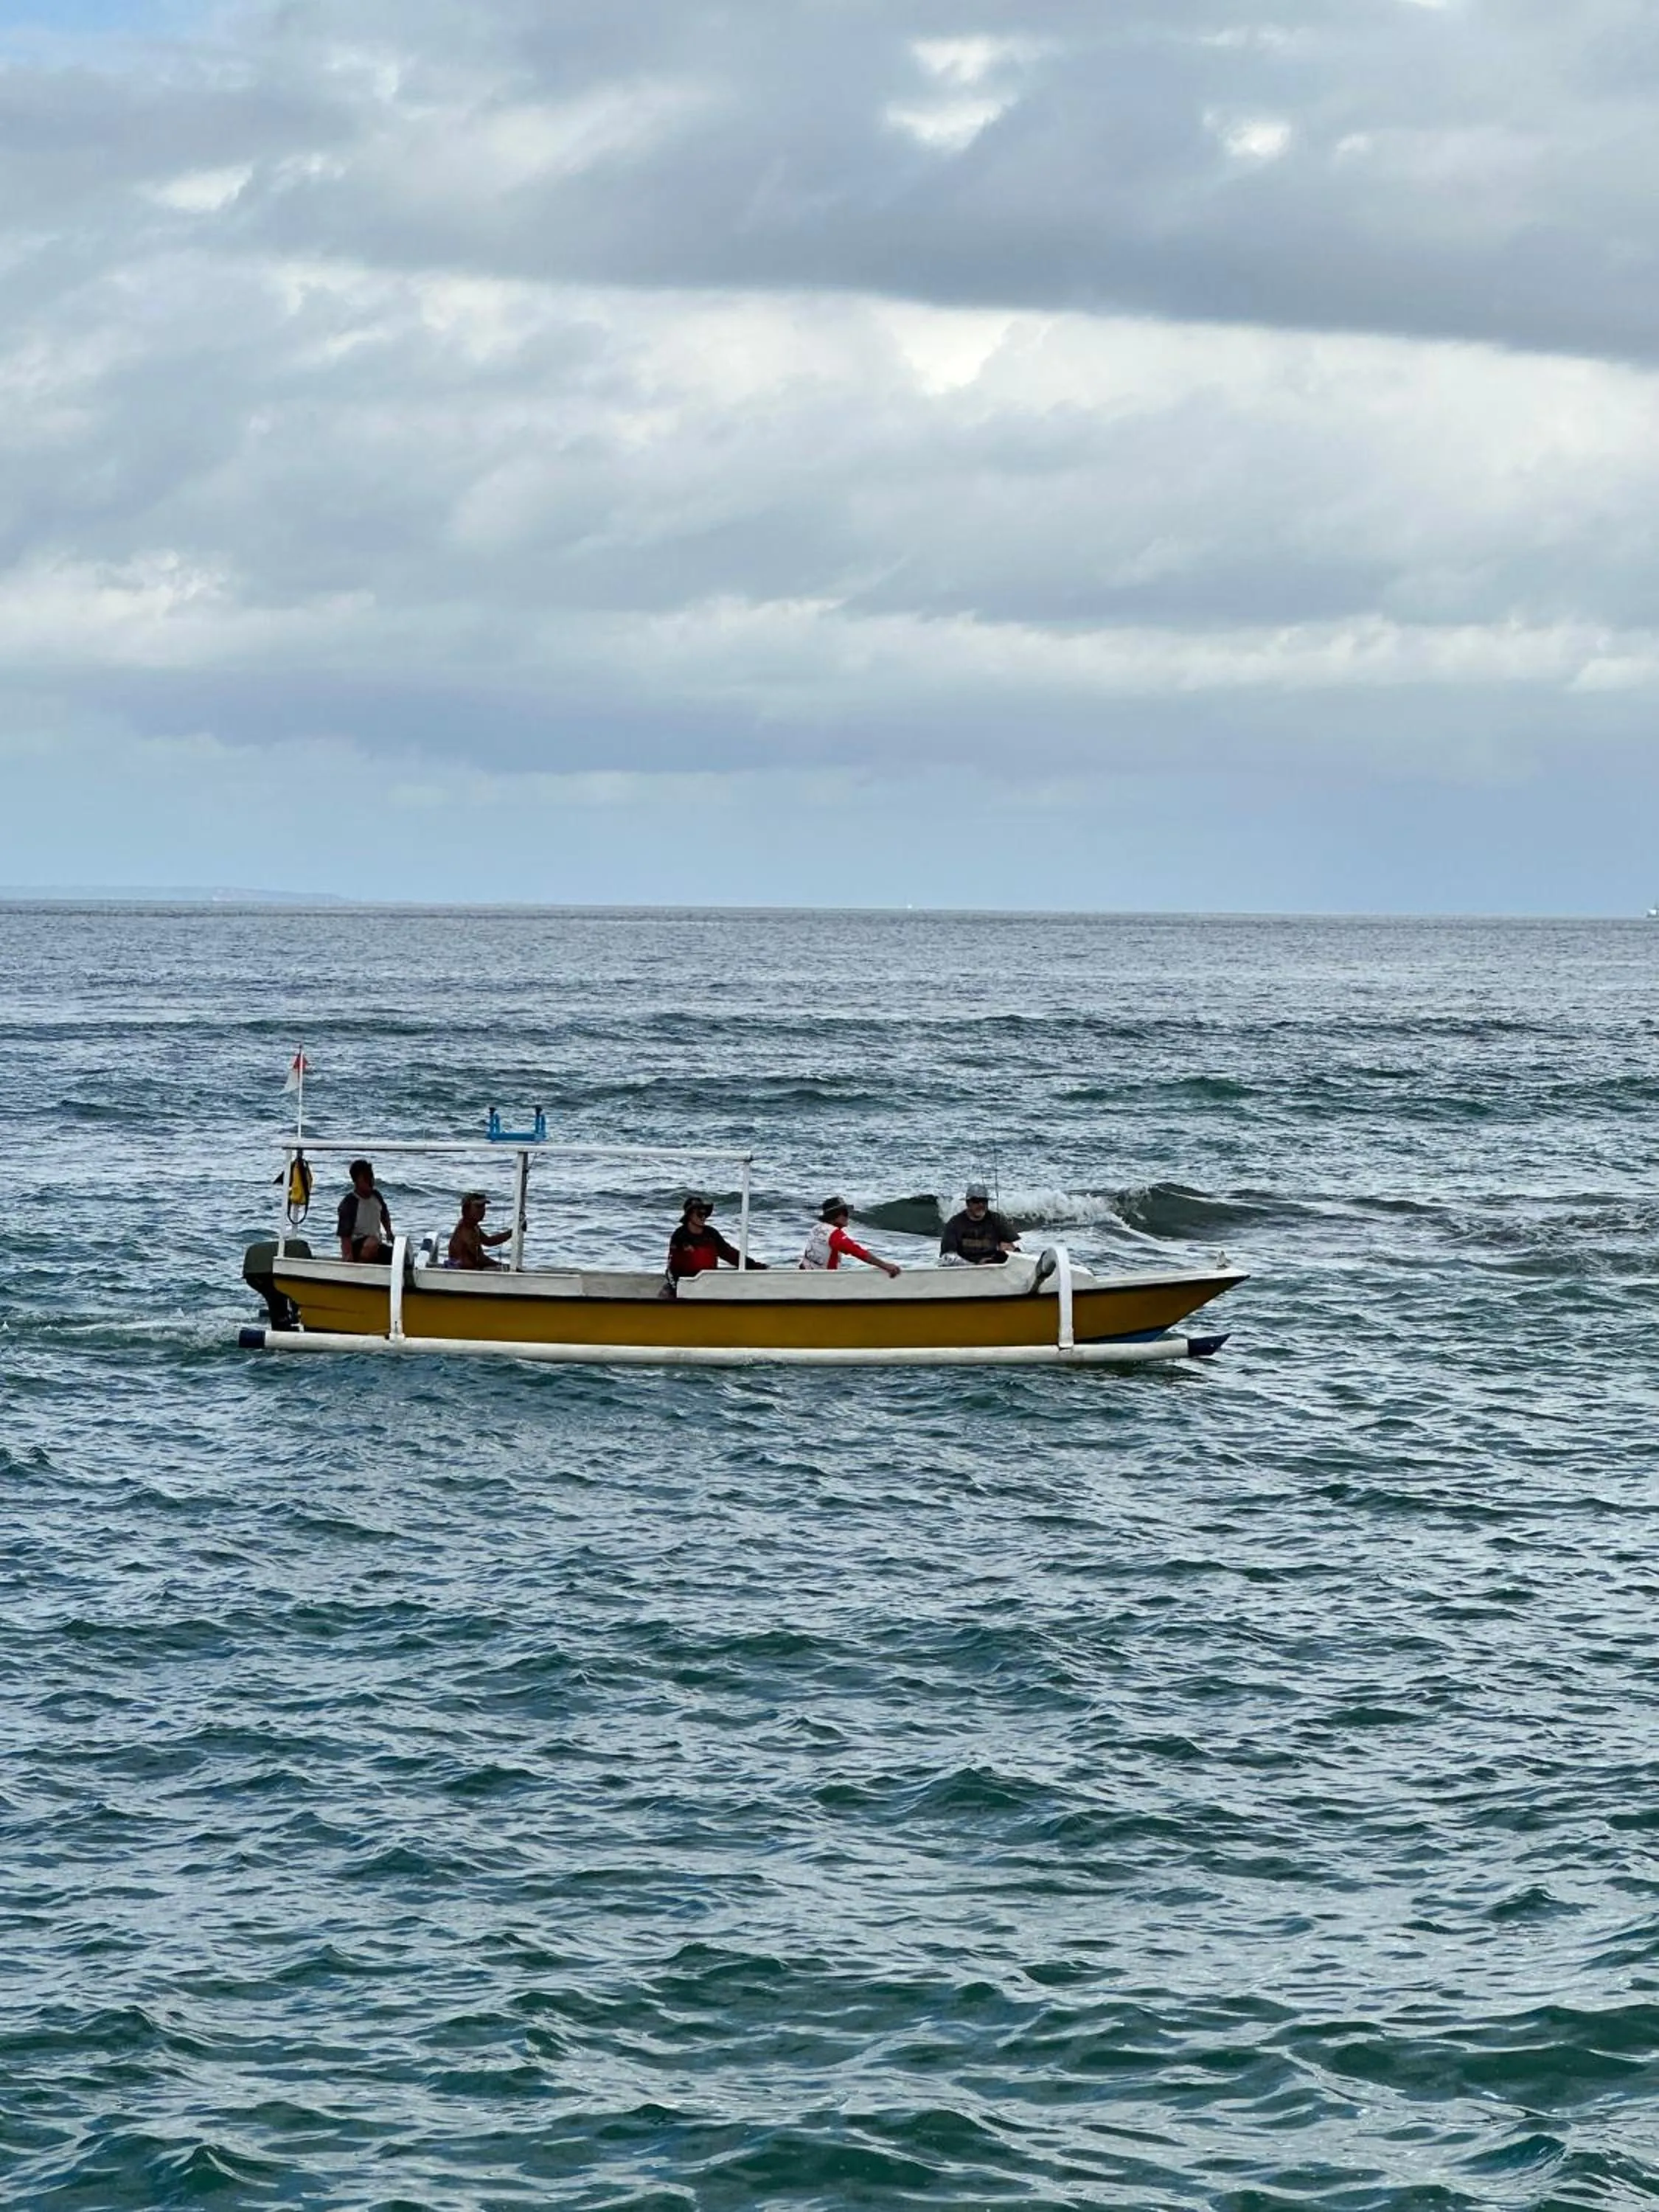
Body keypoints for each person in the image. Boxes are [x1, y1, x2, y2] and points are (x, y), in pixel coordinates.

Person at [664, 1196, 768, 1290]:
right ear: (690, 1215)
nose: (703, 1217)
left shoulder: (711, 1234)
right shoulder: (679, 1235)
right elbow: (672, 1267)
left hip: (708, 1282)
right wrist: (677, 1289)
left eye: (705, 1214)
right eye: (700, 1214)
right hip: (687, 1284)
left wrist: (754, 1266)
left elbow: (729, 1253)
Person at [800, 1197, 900, 1277]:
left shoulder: (816, 1228)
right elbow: (858, 1252)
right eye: (845, 1213)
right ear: (834, 1215)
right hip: (826, 1280)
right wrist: (885, 1266)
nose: (847, 1217)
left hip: (808, 1275)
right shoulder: (834, 1235)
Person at [939, 1180, 1019, 1266]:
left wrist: (1010, 1250)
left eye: (984, 1201)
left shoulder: (997, 1220)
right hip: (963, 1269)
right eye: (976, 1201)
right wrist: (975, 1265)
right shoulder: (954, 1224)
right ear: (968, 1203)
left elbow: (1012, 1247)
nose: (981, 1204)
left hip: (993, 1267)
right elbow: (947, 1257)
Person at [338, 1158, 393, 1262]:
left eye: (371, 1176)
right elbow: (345, 1235)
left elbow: (384, 1215)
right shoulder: (350, 1203)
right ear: (356, 1181)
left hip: (376, 1245)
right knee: (372, 1242)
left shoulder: (376, 1196)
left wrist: (389, 1232)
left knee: (397, 1255)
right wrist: (348, 1258)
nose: (370, 1181)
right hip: (357, 1246)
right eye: (366, 1178)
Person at [448, 1190, 513, 1270]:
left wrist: (512, 1233)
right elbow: (479, 1259)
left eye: (483, 1206)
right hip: (463, 1273)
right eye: (478, 1207)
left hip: (471, 1269)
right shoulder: (465, 1230)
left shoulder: (473, 1226)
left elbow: (489, 1241)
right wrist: (499, 1265)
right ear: (466, 1209)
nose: (483, 1210)